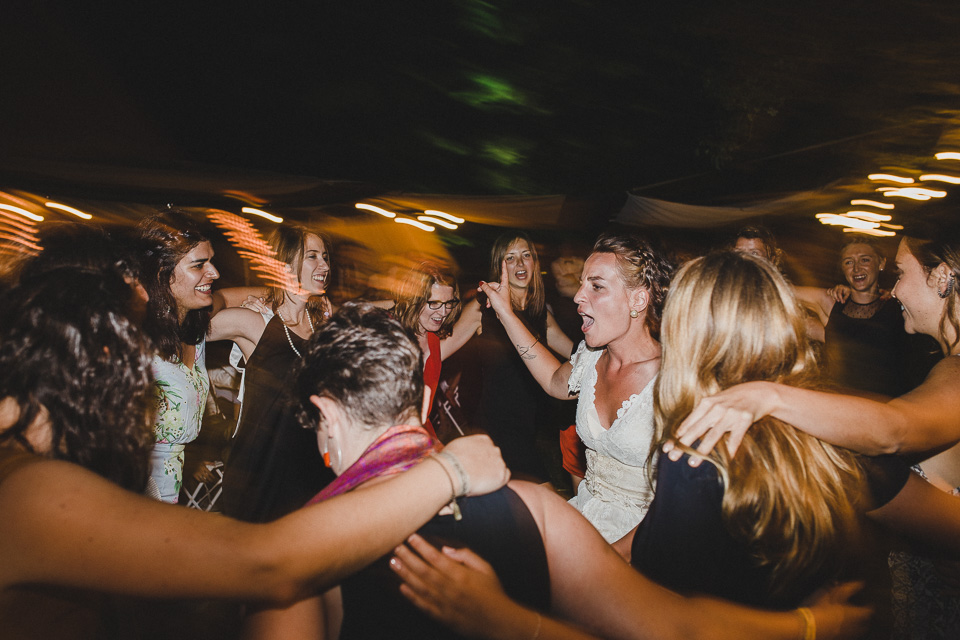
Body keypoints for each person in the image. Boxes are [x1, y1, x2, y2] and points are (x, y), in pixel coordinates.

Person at [242, 301, 872, 640]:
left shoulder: (303, 553)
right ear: (427, 402)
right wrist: (811, 624)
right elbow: (677, 627)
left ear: (325, 413)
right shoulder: (536, 509)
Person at [0, 267, 509, 639]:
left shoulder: (34, 469)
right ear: (96, 367)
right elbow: (267, 564)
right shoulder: (28, 491)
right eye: (139, 361)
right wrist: (448, 470)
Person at [670, 229, 960, 638]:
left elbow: (894, 431)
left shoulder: (956, 372)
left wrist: (768, 396)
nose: (893, 291)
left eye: (899, 273)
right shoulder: (944, 366)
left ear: (943, 277)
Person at [479, 233, 671, 543]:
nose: (578, 296)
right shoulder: (592, 357)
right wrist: (505, 313)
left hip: (644, 541)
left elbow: (679, 505)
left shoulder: (672, 380)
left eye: (596, 286)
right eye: (582, 284)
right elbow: (554, 379)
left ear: (638, 299)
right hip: (586, 521)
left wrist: (609, 558)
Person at [212, 225, 336, 522]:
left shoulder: (325, 324)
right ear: (284, 264)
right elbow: (191, 318)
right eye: (312, 256)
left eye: (326, 257)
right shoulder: (256, 322)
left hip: (316, 471)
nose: (325, 266)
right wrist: (267, 291)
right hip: (263, 474)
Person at [446, 232, 575, 481]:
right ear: (499, 265)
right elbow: (441, 349)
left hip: (528, 428)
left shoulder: (540, 314)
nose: (519, 264)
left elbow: (576, 355)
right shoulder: (483, 307)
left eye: (526, 255)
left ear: (535, 263)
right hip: (495, 427)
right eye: (510, 258)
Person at [138, 213, 221, 502]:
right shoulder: (137, 341)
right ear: (163, 274)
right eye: (199, 265)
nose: (214, 273)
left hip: (171, 491)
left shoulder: (193, 333)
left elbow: (234, 297)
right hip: (139, 492)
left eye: (210, 261)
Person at [795, 237, 936, 397]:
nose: (856, 268)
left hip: (887, 408)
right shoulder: (832, 303)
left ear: (881, 264)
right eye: (848, 262)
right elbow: (780, 290)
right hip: (840, 406)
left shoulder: (901, 308)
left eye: (865, 260)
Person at [392, 261, 463, 442]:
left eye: (449, 303)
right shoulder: (390, 336)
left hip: (418, 438)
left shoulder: (433, 340)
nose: (444, 311)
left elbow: (422, 416)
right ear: (415, 299)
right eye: (435, 303)